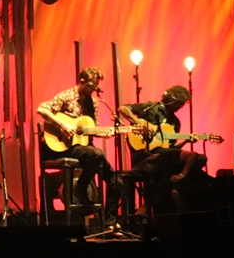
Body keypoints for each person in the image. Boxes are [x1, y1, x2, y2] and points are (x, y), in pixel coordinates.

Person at [36, 66, 121, 224]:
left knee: (117, 181)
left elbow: (89, 129)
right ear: (82, 82)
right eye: (91, 86)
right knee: (96, 154)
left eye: (96, 86)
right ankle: (81, 187)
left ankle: (109, 223)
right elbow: (41, 109)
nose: (94, 89)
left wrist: (105, 133)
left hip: (83, 149)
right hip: (60, 148)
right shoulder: (67, 95)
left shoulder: (93, 102)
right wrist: (62, 125)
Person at [118, 85, 210, 214]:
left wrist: (186, 141)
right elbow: (122, 108)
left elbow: (171, 148)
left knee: (200, 159)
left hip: (164, 154)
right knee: (172, 160)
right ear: (171, 99)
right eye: (179, 103)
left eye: (182, 104)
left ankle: (175, 195)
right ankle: (156, 201)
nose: (180, 106)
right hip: (145, 154)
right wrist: (137, 122)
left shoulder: (175, 122)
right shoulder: (151, 107)